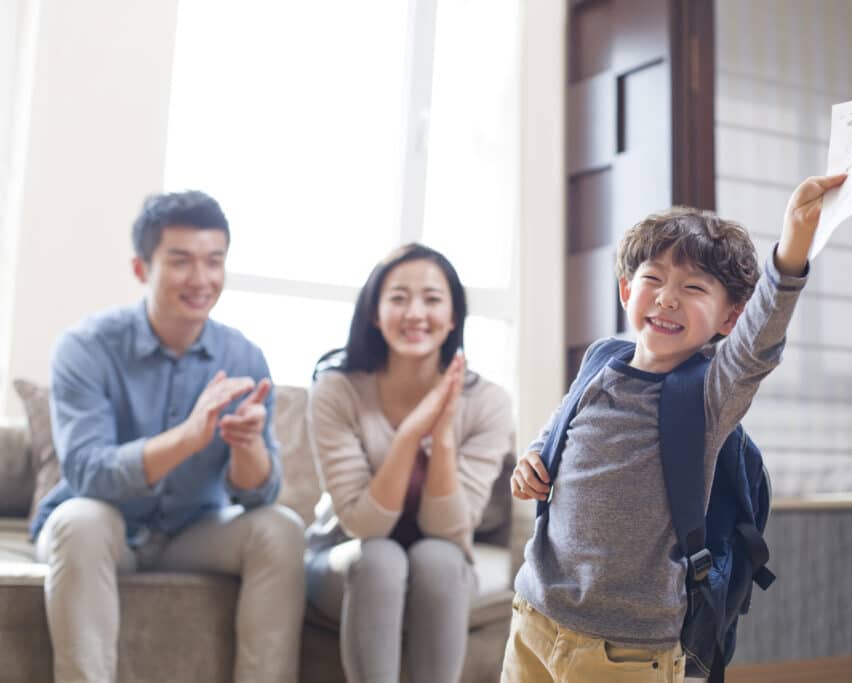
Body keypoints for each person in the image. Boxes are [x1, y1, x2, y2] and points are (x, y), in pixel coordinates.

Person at [502, 174, 847, 682]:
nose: (667, 298)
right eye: (653, 279)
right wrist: (532, 461)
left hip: (627, 648)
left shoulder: (711, 394)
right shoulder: (599, 360)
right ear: (626, 289)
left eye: (692, 288)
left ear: (730, 318)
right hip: (534, 616)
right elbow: (556, 432)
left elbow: (760, 341)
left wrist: (793, 244)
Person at [30, 190, 306, 683]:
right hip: (104, 528)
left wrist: (248, 447)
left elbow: (258, 493)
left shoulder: (244, 357)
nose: (201, 279)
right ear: (141, 268)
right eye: (180, 261)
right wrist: (188, 437)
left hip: (192, 531)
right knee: (82, 521)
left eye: (214, 261)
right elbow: (88, 472)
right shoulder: (86, 348)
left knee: (281, 528)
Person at [304, 243, 514, 683]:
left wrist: (440, 434)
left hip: (442, 559)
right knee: (381, 558)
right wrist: (408, 434)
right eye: (398, 298)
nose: (415, 312)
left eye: (432, 299)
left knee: (437, 557)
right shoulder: (336, 390)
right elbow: (366, 526)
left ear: (454, 316)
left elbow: (449, 529)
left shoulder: (488, 402)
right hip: (342, 558)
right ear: (374, 314)